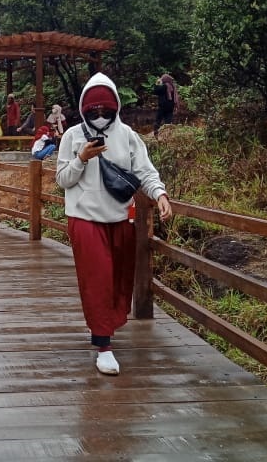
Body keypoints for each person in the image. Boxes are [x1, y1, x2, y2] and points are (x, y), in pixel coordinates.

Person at [56, 72, 172, 376]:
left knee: (119, 278)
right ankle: (103, 344)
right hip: (84, 219)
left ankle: (108, 325)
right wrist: (81, 158)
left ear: (115, 107)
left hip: (120, 217)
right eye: (93, 110)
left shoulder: (127, 135)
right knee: (98, 279)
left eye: (105, 109)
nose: (99, 114)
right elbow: (62, 179)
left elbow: (144, 171)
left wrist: (159, 194)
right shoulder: (72, 136)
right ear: (83, 109)